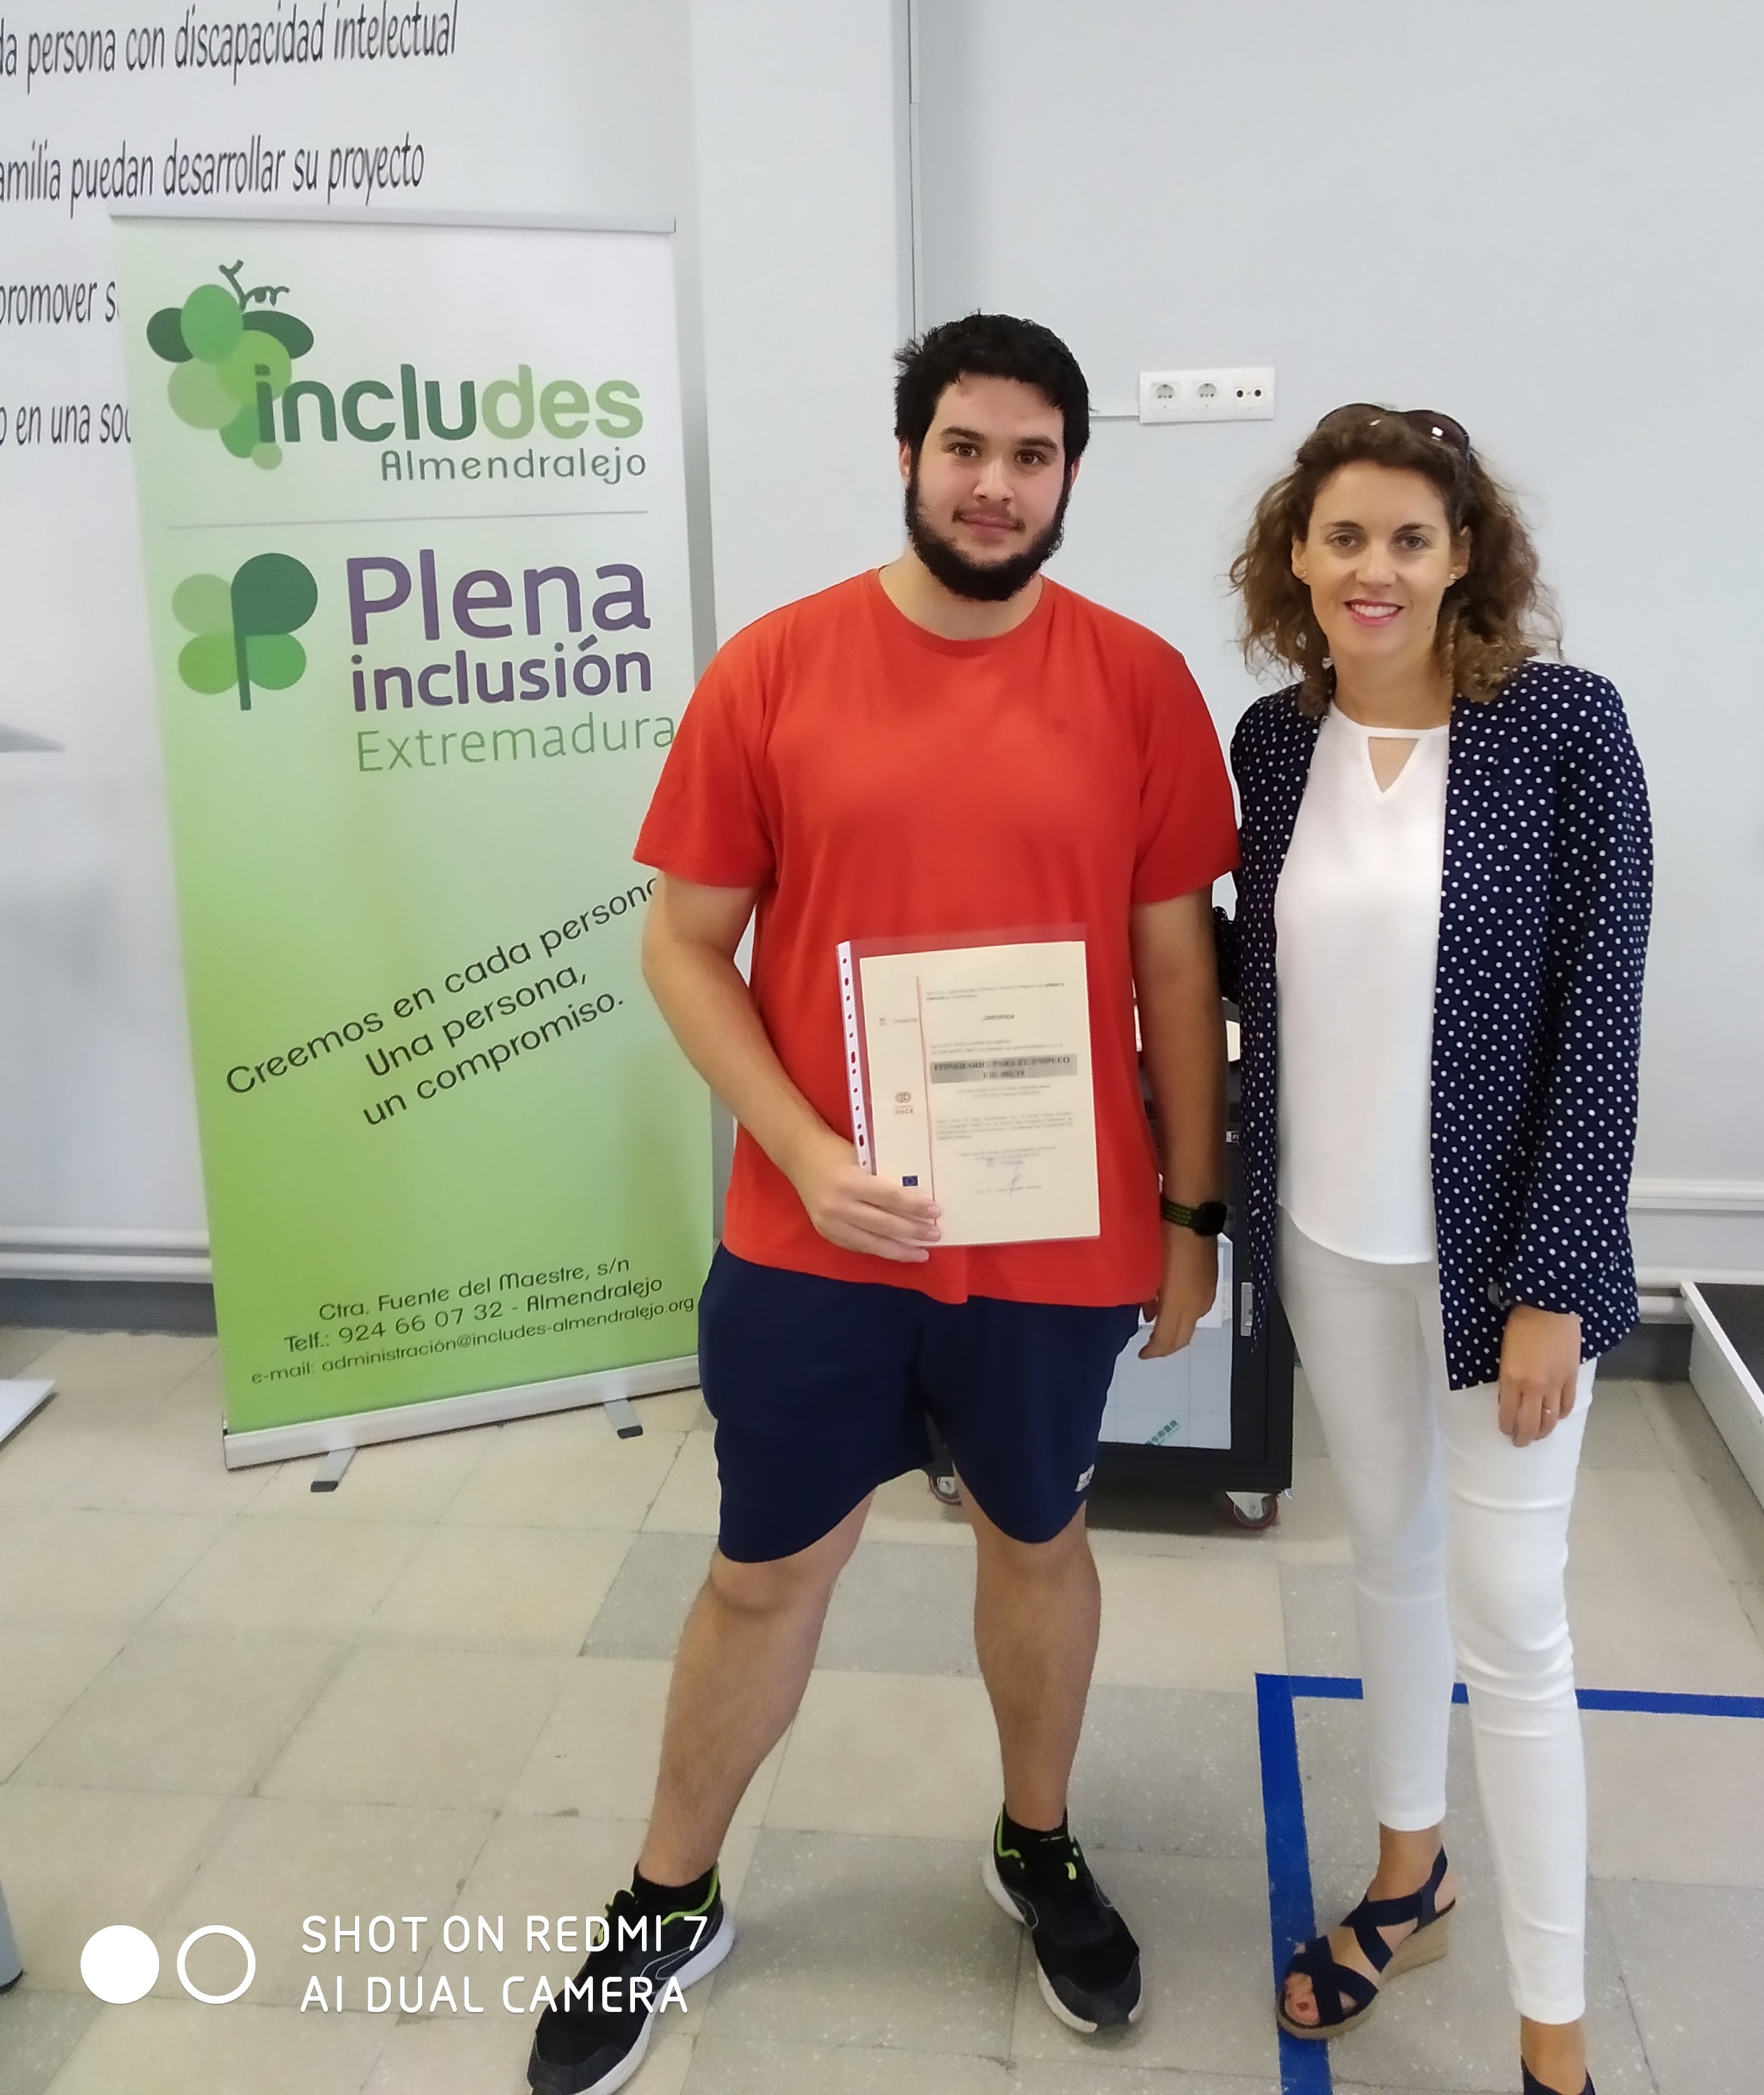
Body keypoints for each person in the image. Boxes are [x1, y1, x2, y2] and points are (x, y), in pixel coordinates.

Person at [527, 312, 1237, 2095]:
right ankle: (670, 1894)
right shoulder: (775, 669)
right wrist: (802, 1149)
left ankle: (1037, 1843)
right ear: (910, 456)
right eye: (964, 449)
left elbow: (1175, 969)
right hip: (815, 1234)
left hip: (1058, 1231)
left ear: (1071, 474)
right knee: (767, 1574)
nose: (996, 486)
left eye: (1032, 456)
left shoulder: (1140, 683)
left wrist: (1194, 1214)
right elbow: (684, 948)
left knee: (1039, 1540)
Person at [1227, 405, 1651, 2095]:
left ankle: (1555, 2043)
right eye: (1344, 538)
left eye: (1410, 538)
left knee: (1515, 1623)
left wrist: (1556, 1281)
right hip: (1328, 1238)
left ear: (1465, 555)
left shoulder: (1562, 727)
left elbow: (1601, 1015)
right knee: (1388, 1563)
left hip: (1504, 1265)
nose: (1376, 570)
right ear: (1299, 559)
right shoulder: (1276, 744)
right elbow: (1250, 972)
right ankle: (1411, 1878)